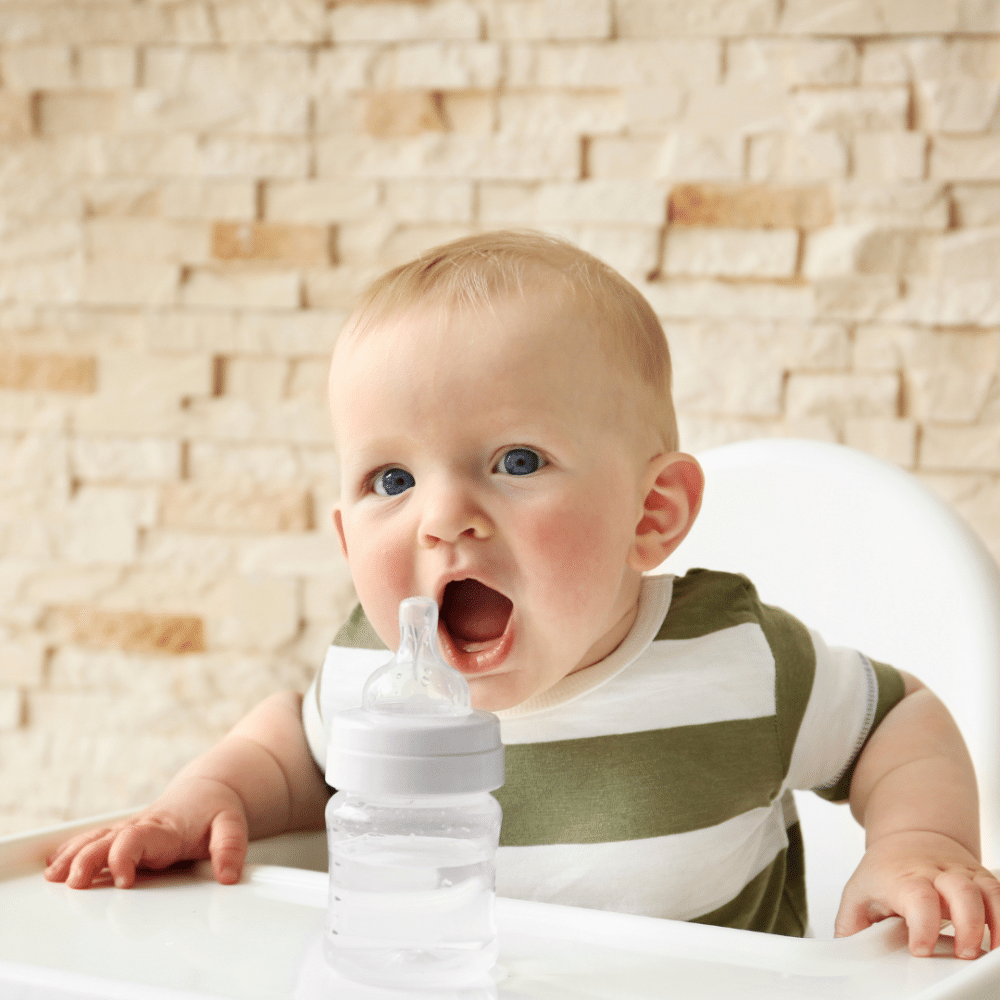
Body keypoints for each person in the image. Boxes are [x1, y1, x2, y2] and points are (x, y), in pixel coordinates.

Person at [45, 231, 1000, 959]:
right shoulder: (373, 676)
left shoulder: (735, 660)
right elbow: (287, 747)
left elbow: (897, 720)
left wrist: (916, 844)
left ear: (651, 512)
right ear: (344, 538)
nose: (443, 518)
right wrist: (196, 803)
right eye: (390, 481)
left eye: (515, 461)